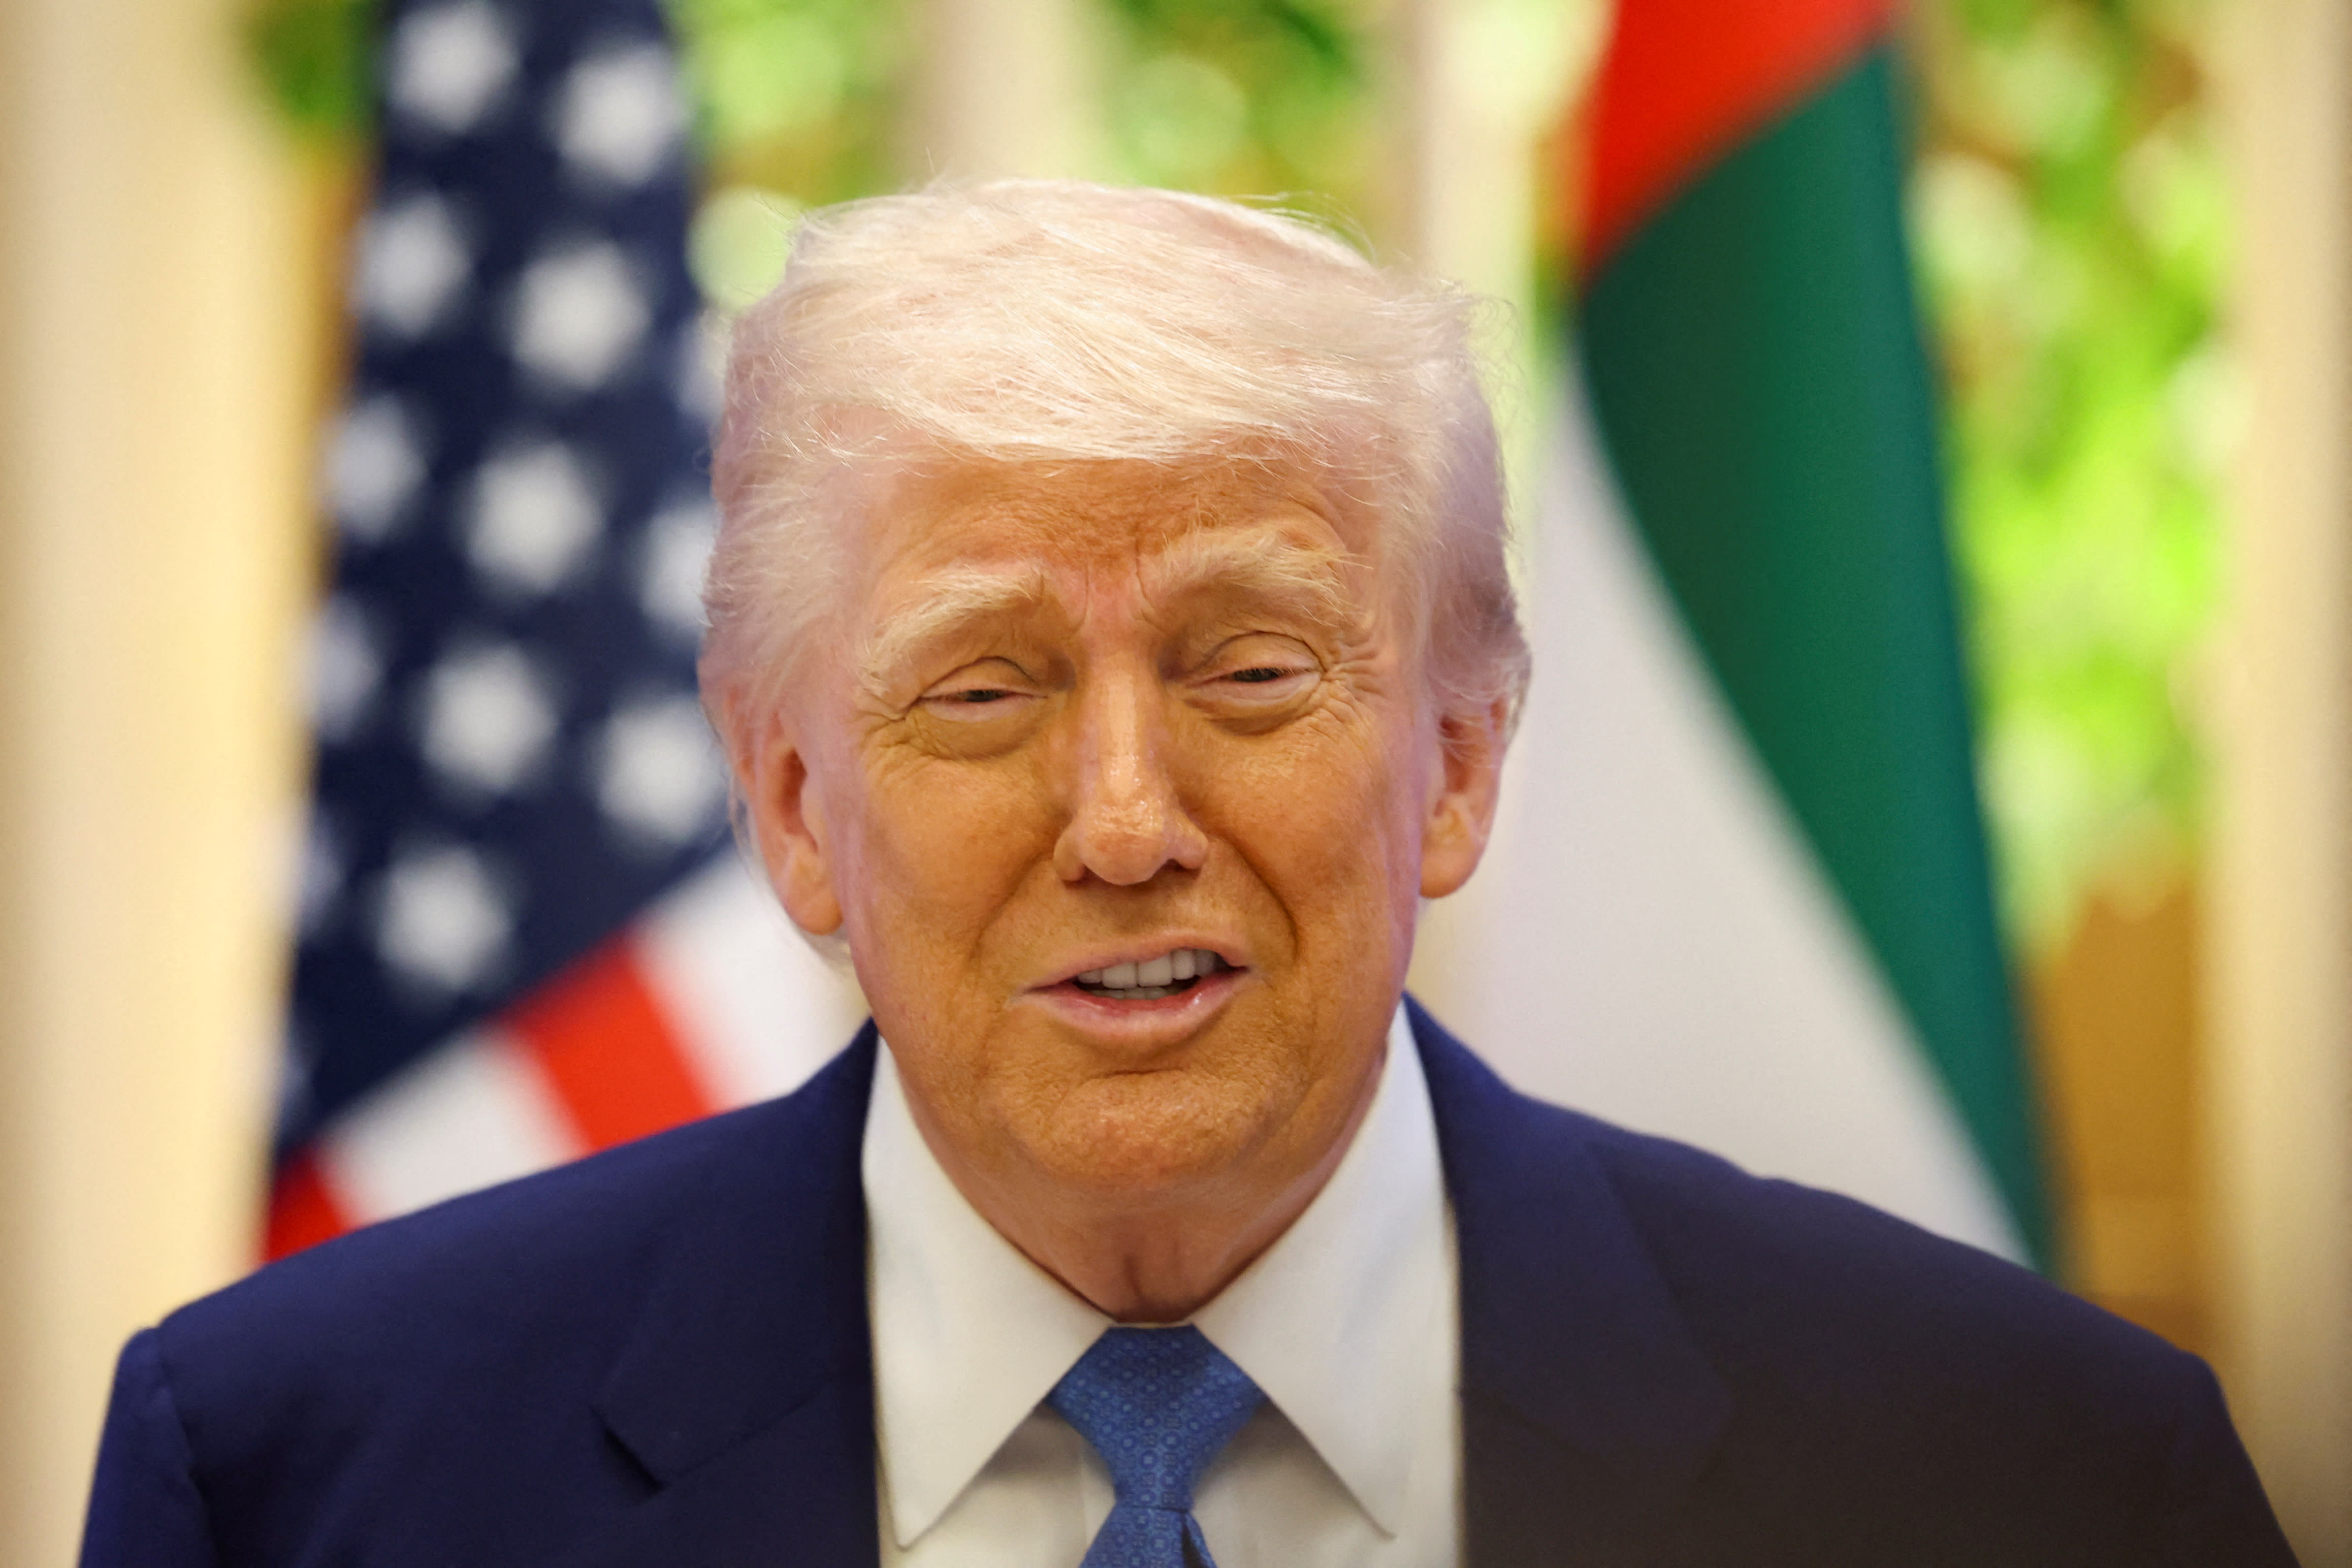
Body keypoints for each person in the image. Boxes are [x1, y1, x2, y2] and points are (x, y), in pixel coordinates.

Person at [80, 181, 2293, 1568]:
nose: (1125, 817)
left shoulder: (2036, 1483)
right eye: (980, 689)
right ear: (784, 800)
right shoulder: (301, 1479)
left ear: (1453, 755)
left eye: (1249, 666)